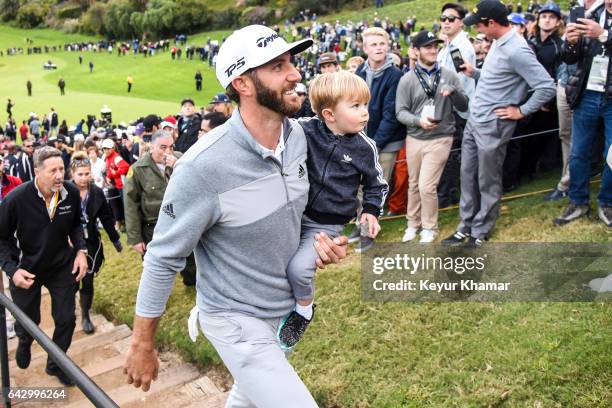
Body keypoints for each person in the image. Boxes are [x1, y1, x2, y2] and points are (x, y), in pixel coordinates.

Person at [123, 24, 348, 406]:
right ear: (243, 84)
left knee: (247, 397)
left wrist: (318, 243)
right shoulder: (202, 167)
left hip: (287, 313)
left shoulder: (297, 138)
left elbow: (301, 216)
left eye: (291, 62)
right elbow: (162, 258)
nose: (295, 74)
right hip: (235, 319)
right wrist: (142, 344)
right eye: (277, 66)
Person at [280, 71, 387, 350]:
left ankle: (303, 310)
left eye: (365, 104)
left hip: (324, 226)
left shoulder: (366, 147)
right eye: (356, 106)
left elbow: (376, 184)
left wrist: (371, 211)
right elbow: (276, 125)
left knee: (298, 269)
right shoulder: (303, 129)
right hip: (293, 214)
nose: (365, 113)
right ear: (328, 114)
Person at [441, 0, 555, 247]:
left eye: (480, 26)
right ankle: (465, 226)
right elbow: (498, 78)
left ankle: (480, 231)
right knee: (467, 175)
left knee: (487, 180)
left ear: (491, 23)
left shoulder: (517, 49)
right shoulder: (498, 43)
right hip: (475, 119)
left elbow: (546, 86)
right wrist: (476, 73)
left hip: (493, 125)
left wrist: (521, 111)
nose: (478, 30)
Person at [0, 146, 88, 386]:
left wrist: (81, 251)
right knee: (29, 320)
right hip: (25, 268)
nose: (59, 175)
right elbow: (1, 239)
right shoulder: (15, 199)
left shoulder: (69, 191)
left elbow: (76, 224)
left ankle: (55, 365)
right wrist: (12, 270)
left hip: (61, 265)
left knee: (66, 319)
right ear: (37, 172)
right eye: (52, 171)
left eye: (61, 169)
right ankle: (24, 340)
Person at [396, 30, 468, 243]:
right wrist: (418, 121)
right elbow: (400, 112)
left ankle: (430, 227)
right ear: (416, 51)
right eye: (427, 47)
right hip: (415, 137)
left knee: (427, 186)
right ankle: (412, 224)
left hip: (441, 136)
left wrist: (453, 93)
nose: (433, 50)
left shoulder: (449, 74)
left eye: (435, 46)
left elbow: (464, 106)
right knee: (414, 184)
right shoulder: (407, 79)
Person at [554, 0, 612, 227]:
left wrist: (604, 35)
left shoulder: (596, 21)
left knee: (611, 154)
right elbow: (570, 59)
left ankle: (607, 202)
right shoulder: (584, 13)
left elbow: (603, 38)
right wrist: (570, 43)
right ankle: (578, 201)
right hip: (587, 92)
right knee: (578, 152)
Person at [123, 129, 196, 286]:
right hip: (153, 226)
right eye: (163, 147)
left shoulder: (180, 159)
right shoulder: (138, 169)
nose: (168, 151)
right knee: (155, 266)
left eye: (171, 147)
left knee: (190, 259)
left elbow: (195, 183)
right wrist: (135, 238)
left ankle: (192, 283)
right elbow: (130, 205)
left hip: (181, 220)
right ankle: (155, 299)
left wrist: (178, 167)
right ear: (152, 147)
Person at [355, 27, 406, 250]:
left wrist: (373, 145)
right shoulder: (358, 72)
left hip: (383, 142)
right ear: (365, 48)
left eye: (382, 44)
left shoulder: (395, 75)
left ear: (388, 46)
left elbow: (391, 114)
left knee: (374, 187)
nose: (378, 48)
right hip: (361, 138)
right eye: (373, 44)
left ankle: (368, 235)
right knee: (358, 186)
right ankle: (360, 226)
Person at [70, 152, 122, 334]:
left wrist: (115, 238)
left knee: (88, 279)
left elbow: (106, 217)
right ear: (72, 174)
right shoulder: (64, 192)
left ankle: (85, 314)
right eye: (80, 174)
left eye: (87, 174)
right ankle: (69, 311)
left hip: (91, 241)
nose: (84, 178)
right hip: (69, 244)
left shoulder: (97, 193)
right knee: (71, 279)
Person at [436, 2, 476, 208]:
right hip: (449, 107)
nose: (446, 22)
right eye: (443, 19)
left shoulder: (459, 47)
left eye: (451, 19)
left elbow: (459, 81)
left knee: (451, 154)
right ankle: (449, 194)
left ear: (461, 23)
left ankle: (448, 195)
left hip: (457, 109)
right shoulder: (448, 46)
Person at [101, 138, 129, 231]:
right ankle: (125, 224)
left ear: (113, 148)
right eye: (104, 149)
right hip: (118, 186)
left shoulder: (116, 157)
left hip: (123, 185)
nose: (106, 150)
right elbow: (110, 170)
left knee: (126, 206)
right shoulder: (108, 158)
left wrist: (114, 173)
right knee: (121, 205)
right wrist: (109, 176)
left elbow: (126, 167)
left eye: (108, 148)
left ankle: (129, 226)